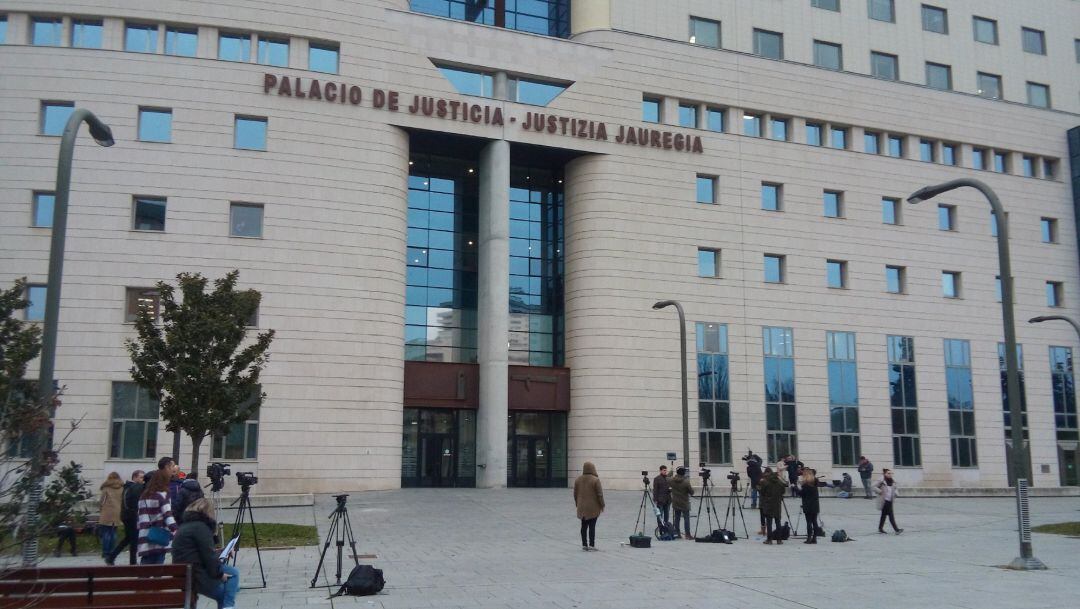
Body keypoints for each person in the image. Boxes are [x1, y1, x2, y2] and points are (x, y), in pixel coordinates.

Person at [172, 498, 239, 609]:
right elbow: (208, 556)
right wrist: (220, 575)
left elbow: (200, 552)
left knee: (231, 578)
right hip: (196, 574)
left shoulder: (186, 526)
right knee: (231, 580)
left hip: (185, 572)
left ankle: (228, 605)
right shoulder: (201, 528)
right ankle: (228, 606)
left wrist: (222, 552)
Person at [138, 469, 178, 564]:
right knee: (158, 564)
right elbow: (168, 515)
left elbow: (139, 517)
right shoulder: (162, 495)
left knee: (145, 564)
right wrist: (175, 529)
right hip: (159, 534)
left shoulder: (143, 496)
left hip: (145, 534)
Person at [108, 470, 145, 565]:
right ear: (135, 477)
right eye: (141, 477)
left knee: (128, 538)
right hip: (131, 516)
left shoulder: (128, 487)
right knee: (133, 540)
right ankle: (132, 562)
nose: (142, 480)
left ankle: (111, 557)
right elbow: (134, 503)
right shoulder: (134, 487)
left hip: (126, 516)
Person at [573, 462, 604, 551]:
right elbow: (600, 495)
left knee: (583, 526)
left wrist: (577, 503)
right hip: (593, 508)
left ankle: (584, 544)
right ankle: (592, 544)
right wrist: (602, 505)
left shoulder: (578, 480)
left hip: (581, 507)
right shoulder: (595, 480)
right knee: (592, 526)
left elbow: (575, 494)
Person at [98, 472, 124, 563]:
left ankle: (106, 552)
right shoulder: (122, 488)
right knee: (114, 533)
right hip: (118, 511)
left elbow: (102, 501)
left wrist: (101, 508)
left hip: (107, 512)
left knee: (106, 533)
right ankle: (112, 551)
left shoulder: (106, 488)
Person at [757, 467, 787, 545]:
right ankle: (779, 540)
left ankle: (769, 539)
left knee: (769, 522)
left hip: (768, 504)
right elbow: (783, 490)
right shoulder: (779, 482)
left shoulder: (766, 482)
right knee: (778, 522)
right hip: (777, 504)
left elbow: (762, 492)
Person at [668, 466, 695, 540]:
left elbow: (667, 478)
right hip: (684, 502)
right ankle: (688, 534)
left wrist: (670, 471)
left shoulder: (672, 480)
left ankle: (677, 533)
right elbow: (692, 492)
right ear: (683, 473)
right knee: (686, 519)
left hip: (675, 502)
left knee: (677, 518)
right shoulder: (686, 482)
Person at [875, 469, 903, 535]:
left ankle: (880, 528)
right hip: (884, 501)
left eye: (890, 473)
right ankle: (896, 530)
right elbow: (873, 486)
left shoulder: (893, 481)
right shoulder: (882, 481)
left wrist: (896, 493)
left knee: (883, 515)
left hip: (890, 500)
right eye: (888, 473)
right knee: (891, 515)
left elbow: (895, 488)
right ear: (884, 474)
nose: (890, 474)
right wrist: (880, 491)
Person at [799, 469, 820, 544]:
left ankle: (809, 538)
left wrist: (795, 487)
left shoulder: (805, 485)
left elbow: (801, 494)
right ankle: (814, 538)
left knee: (809, 522)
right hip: (815, 504)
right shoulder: (815, 483)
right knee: (814, 521)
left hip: (808, 505)